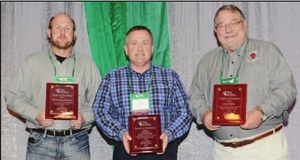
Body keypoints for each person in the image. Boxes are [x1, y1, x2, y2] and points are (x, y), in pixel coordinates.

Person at [189, 4, 297, 160]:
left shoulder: (268, 51)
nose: (228, 29)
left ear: (244, 25)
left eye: (234, 22)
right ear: (215, 31)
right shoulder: (207, 62)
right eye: (221, 25)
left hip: (265, 148)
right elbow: (195, 97)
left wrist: (261, 112)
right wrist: (204, 114)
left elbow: (286, 90)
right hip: (223, 152)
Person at [4, 13, 101, 160]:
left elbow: (101, 102)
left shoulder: (87, 64)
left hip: (77, 143)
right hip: (40, 143)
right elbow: (11, 96)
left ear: (74, 34)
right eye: (58, 28)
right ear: (49, 33)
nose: (62, 32)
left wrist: (84, 118)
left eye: (67, 28)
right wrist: (35, 115)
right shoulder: (32, 62)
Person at [92, 25, 192, 160]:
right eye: (134, 43)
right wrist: (121, 133)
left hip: (163, 150)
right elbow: (100, 111)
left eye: (145, 43)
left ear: (152, 49)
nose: (140, 48)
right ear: (126, 50)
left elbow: (185, 111)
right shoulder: (111, 78)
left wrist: (169, 134)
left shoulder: (170, 77)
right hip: (125, 150)